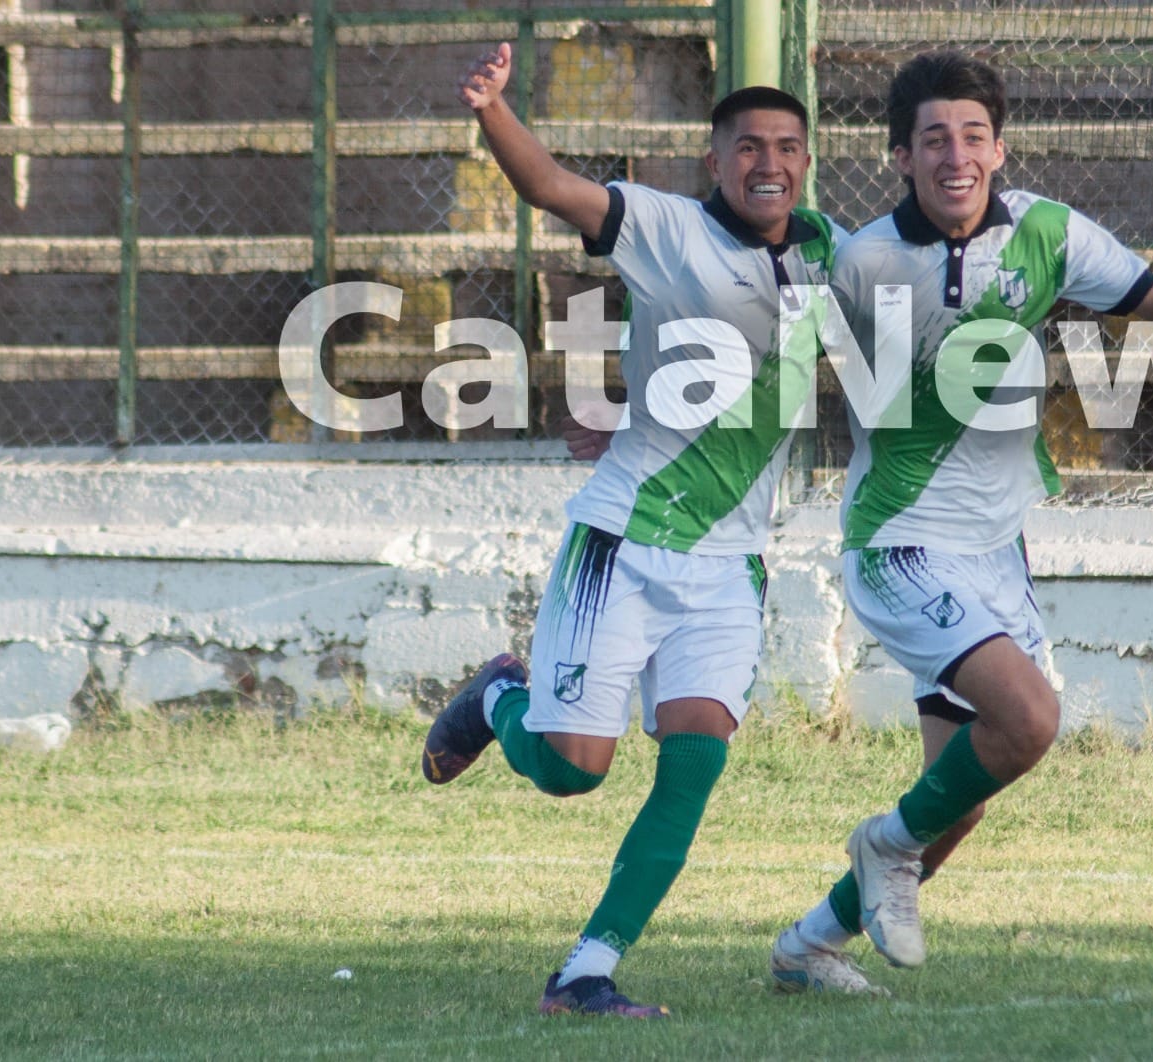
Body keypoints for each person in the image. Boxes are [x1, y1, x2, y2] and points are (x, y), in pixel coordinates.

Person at [768, 50, 1153, 993]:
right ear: (900, 157)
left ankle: (808, 945)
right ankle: (880, 847)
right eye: (934, 139)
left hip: (995, 552)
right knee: (1030, 718)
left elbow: (1148, 292)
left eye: (973, 136)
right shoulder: (863, 262)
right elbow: (772, 365)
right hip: (899, 543)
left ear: (998, 149)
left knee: (960, 798)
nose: (955, 155)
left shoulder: (1047, 233)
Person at [422, 42, 848, 1018]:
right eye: (747, 147)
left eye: (786, 146)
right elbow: (551, 188)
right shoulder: (663, 227)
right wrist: (492, 109)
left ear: (806, 160)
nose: (767, 163)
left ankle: (585, 972)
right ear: (715, 161)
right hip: (621, 548)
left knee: (693, 764)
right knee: (574, 774)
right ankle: (496, 700)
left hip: (727, 567)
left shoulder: (825, 248)